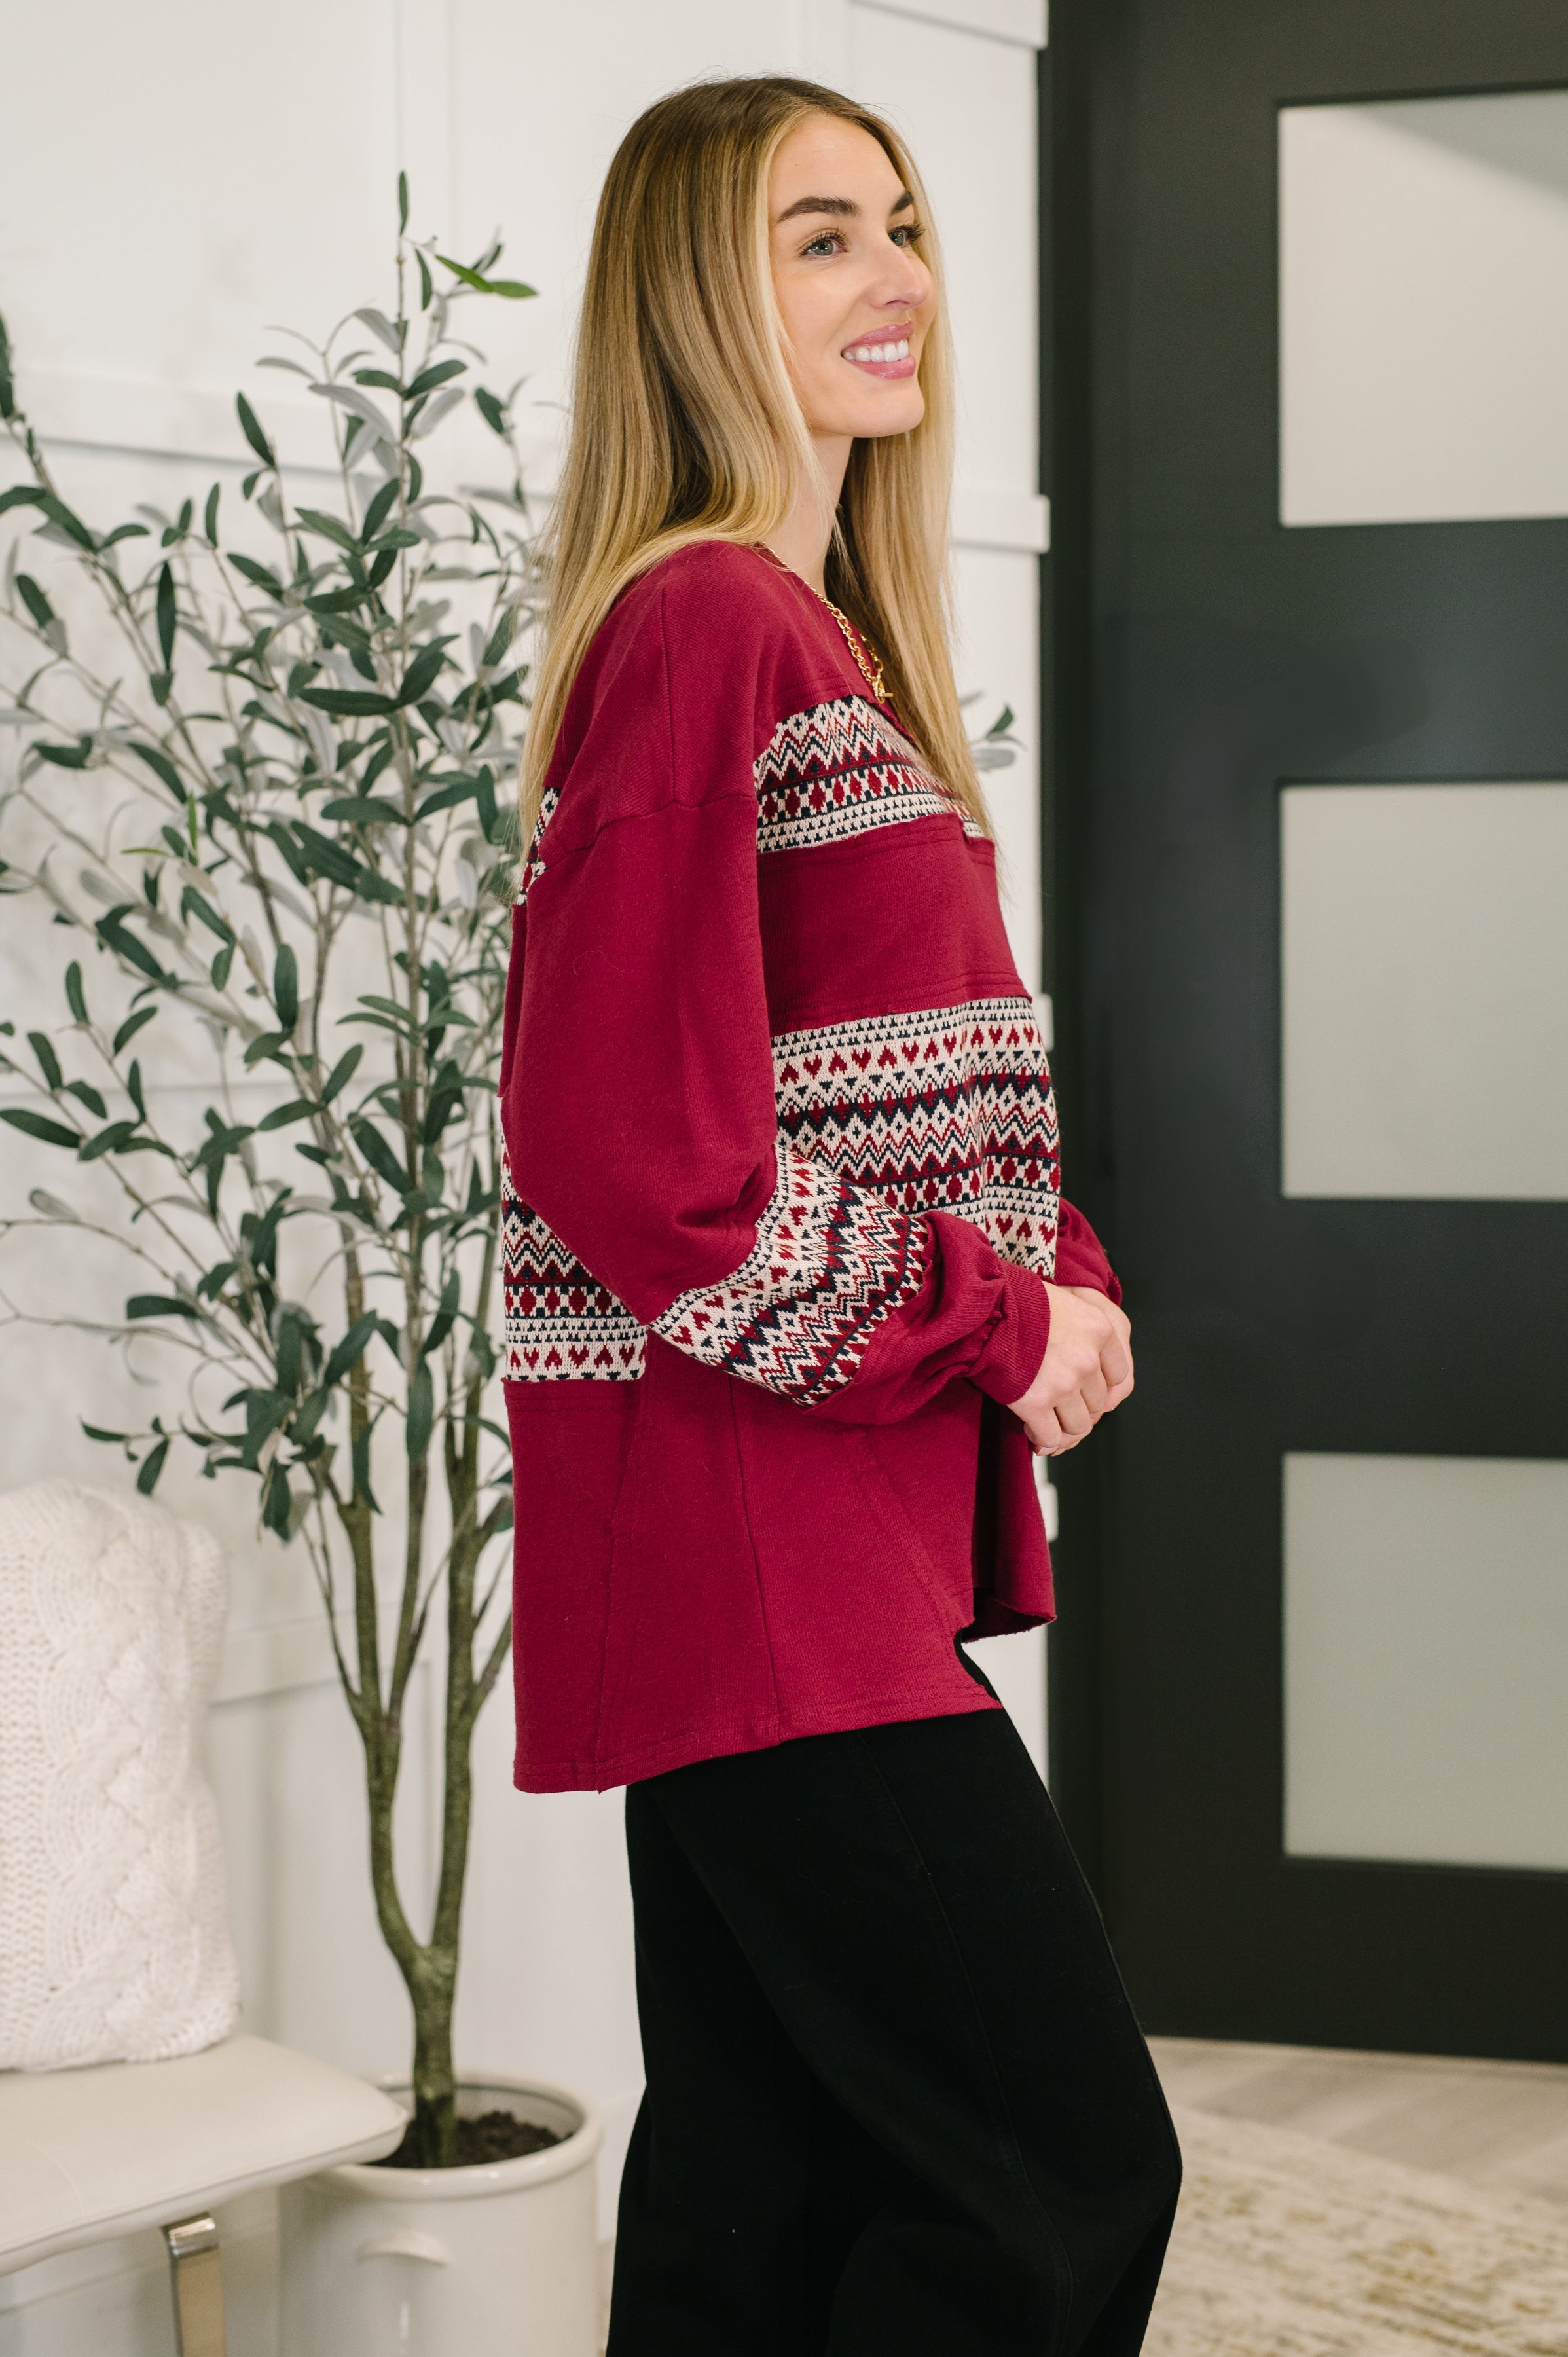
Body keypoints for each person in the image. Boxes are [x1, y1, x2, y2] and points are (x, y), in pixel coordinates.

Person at [500, 74, 1180, 2356]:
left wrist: (1053, 1276)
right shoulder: (705, 625)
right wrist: (996, 1324)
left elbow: (915, 1080)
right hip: (753, 1559)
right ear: (698, 293)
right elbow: (629, 1151)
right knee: (1057, 2166)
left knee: (764, 2188)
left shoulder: (819, 640)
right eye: (817, 236)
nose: (895, 277)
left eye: (897, 224)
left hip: (799, 1546)